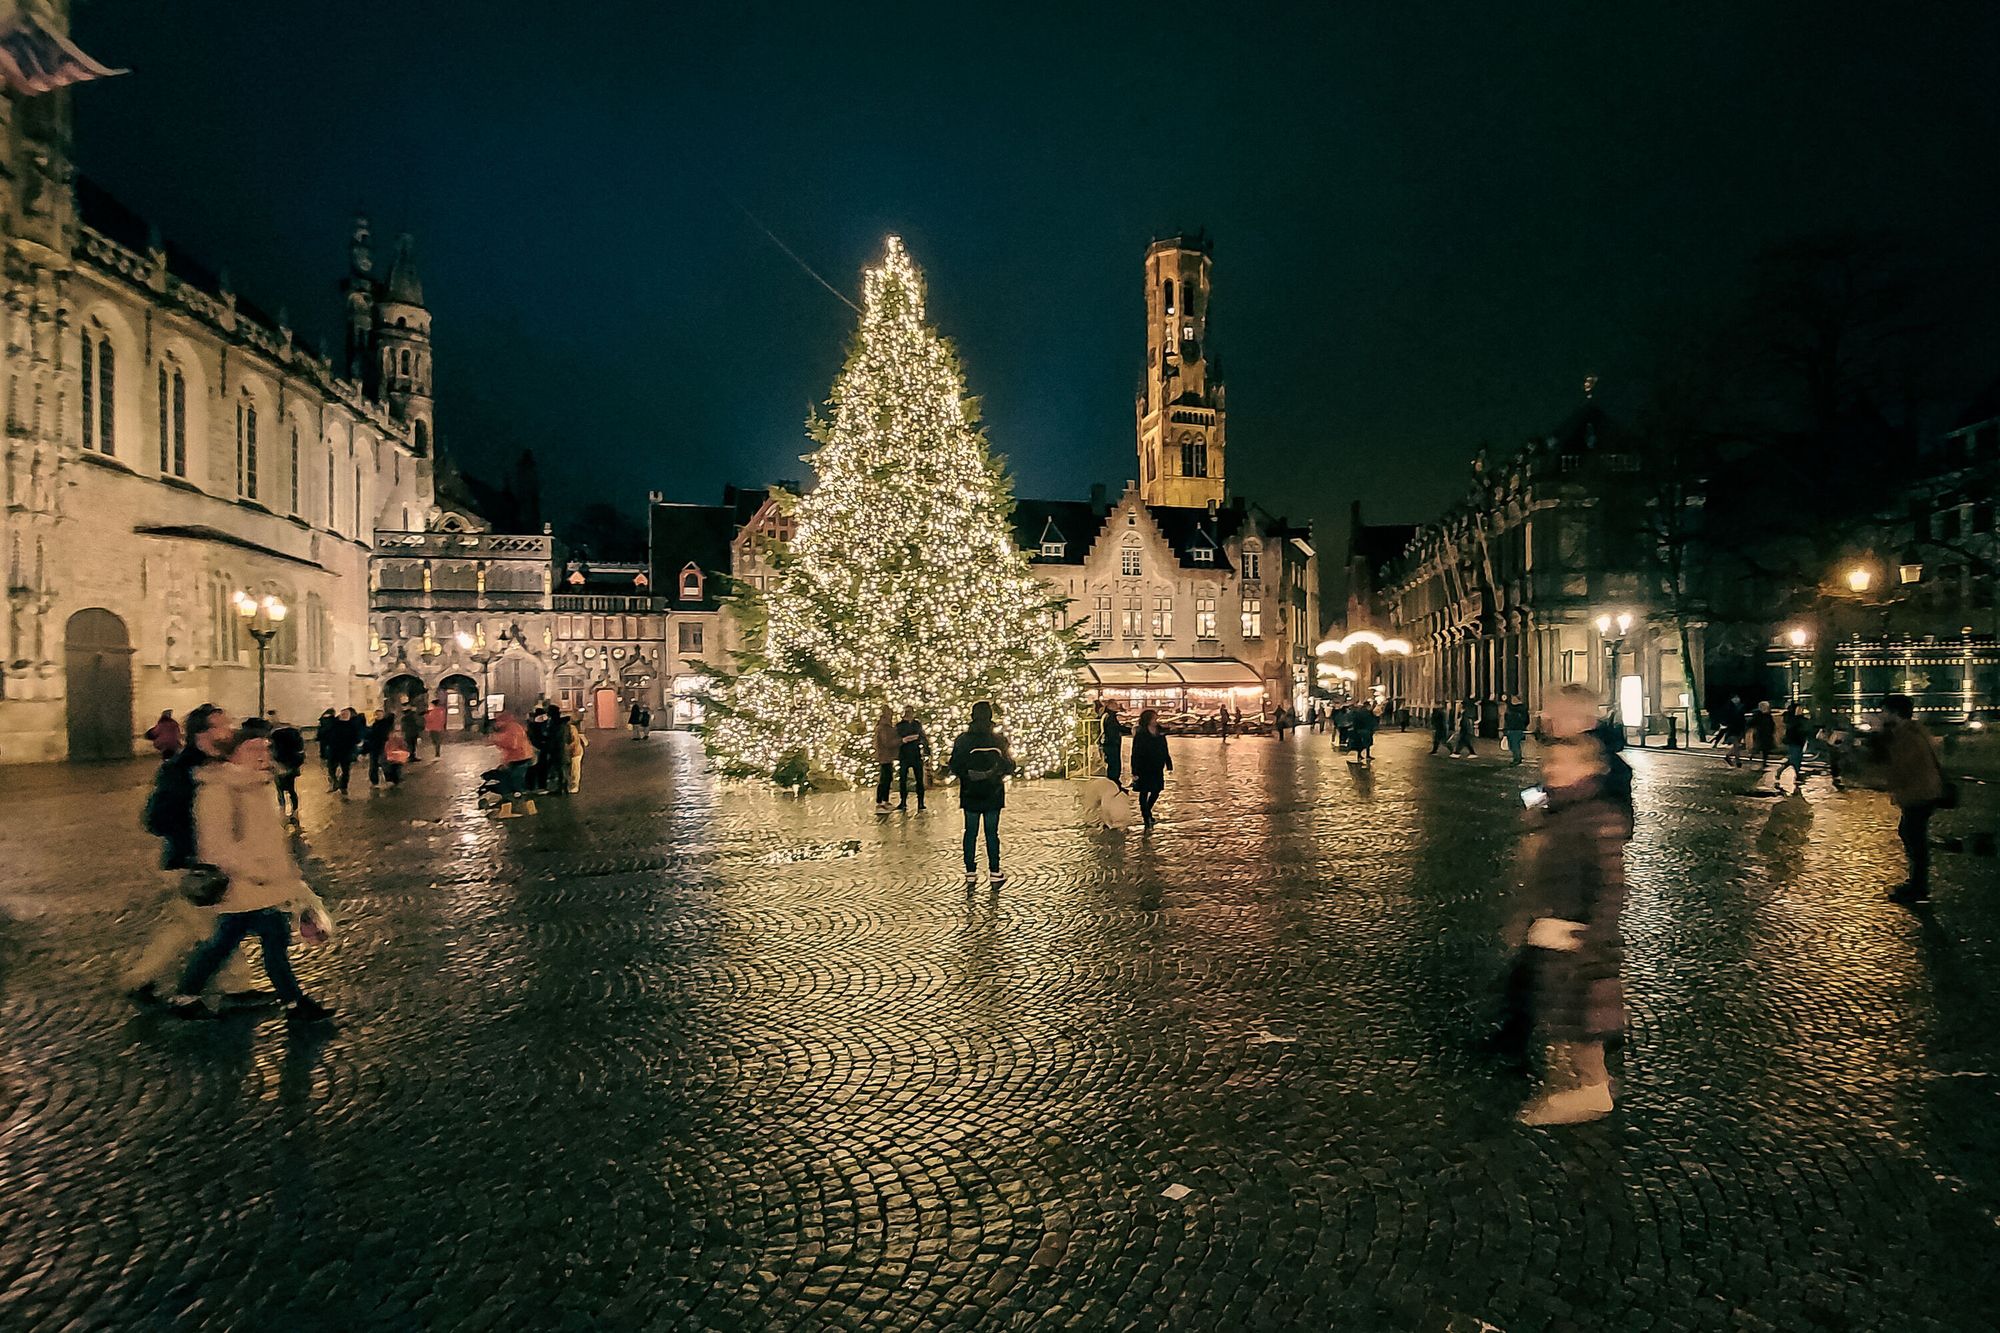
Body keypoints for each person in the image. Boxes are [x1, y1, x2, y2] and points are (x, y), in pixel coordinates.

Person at [166, 725, 333, 1025]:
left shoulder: (262, 784)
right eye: (252, 750)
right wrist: (259, 873)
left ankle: (187, 996)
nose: (262, 755)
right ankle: (295, 1005)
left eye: (265, 748)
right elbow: (216, 846)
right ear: (233, 755)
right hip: (244, 885)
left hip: (267, 884)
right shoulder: (218, 789)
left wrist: (287, 871)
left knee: (235, 943)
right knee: (248, 942)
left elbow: (269, 838)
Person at [1510, 734, 1627, 1125]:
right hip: (1553, 931)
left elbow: (1611, 887)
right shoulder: (1556, 809)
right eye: (1550, 764)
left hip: (1578, 936)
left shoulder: (1599, 817)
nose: (1552, 771)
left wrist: (1593, 939)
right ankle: (1579, 1086)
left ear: (1590, 769)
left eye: (1564, 764)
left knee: (1582, 1022)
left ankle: (1593, 1091)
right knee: (1565, 1016)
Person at [1880, 694, 1947, 904]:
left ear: (1894, 713)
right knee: (1909, 834)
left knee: (1914, 839)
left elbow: (1902, 767)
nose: (1881, 715)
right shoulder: (1911, 731)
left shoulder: (1905, 736)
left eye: (1884, 711)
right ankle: (1917, 884)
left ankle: (1918, 889)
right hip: (1924, 792)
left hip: (1920, 794)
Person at [948, 701, 1016, 887]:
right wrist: (993, 773)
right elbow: (1009, 765)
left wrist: (970, 775)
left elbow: (954, 765)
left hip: (970, 792)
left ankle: (970, 871)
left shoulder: (963, 740)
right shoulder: (998, 740)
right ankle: (995, 870)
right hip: (993, 792)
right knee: (991, 832)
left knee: (970, 832)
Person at [487, 711, 537, 818]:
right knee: (514, 785)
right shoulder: (513, 727)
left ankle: (512, 810)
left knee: (513, 785)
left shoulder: (511, 728)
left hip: (519, 759)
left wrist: (496, 739)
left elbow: (513, 744)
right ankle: (529, 808)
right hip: (520, 758)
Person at [1130, 707, 1172, 827]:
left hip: (1157, 766)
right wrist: (1134, 770)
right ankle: (1146, 815)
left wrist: (1168, 762)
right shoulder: (1141, 733)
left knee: (1156, 790)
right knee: (1144, 791)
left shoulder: (1160, 731)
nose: (1156, 720)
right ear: (1148, 720)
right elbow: (1136, 752)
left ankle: (1147, 810)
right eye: (1154, 718)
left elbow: (1164, 747)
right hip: (1144, 765)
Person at [268, 712, 306, 822]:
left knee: (280, 789)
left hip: (280, 764)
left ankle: (283, 810)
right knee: (291, 789)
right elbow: (300, 750)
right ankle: (294, 811)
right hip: (290, 765)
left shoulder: (273, 735)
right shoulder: (295, 733)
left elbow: (271, 751)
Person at [896, 706, 931, 811]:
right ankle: (903, 801)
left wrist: (927, 750)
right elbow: (899, 738)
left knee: (919, 779)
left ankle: (921, 802)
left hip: (915, 754)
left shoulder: (916, 724)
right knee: (903, 780)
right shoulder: (900, 725)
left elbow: (922, 736)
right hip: (904, 755)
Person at [1776, 703, 1811, 795]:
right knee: (1796, 759)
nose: (1801, 710)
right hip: (1794, 741)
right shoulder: (1792, 719)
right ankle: (1797, 775)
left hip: (1799, 741)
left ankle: (1784, 769)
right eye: (1799, 709)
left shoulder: (1798, 719)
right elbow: (1793, 729)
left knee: (1796, 758)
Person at [327, 707, 360, 797]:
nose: (344, 715)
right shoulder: (334, 724)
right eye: (343, 714)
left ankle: (343, 787)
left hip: (346, 751)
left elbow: (356, 738)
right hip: (334, 750)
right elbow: (328, 735)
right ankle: (336, 783)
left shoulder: (352, 725)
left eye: (346, 714)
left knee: (345, 770)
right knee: (331, 769)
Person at [362, 708, 394, 788]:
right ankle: (374, 782)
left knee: (384, 763)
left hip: (383, 746)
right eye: (377, 715)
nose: (378, 716)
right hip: (375, 748)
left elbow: (391, 719)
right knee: (373, 765)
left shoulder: (386, 723)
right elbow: (370, 738)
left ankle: (389, 779)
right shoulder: (374, 725)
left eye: (380, 714)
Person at [1099, 705, 1127, 789]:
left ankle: (1114, 783)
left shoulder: (1107, 715)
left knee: (1113, 764)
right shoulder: (1110, 717)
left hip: (1110, 744)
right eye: (1115, 704)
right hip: (1112, 744)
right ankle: (1113, 784)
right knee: (1114, 764)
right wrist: (1127, 729)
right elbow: (1114, 729)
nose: (1117, 706)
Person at [1747, 701, 1778, 775]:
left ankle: (1764, 761)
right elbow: (1751, 723)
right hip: (1760, 734)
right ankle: (1752, 756)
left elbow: (1772, 724)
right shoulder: (1758, 715)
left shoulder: (1768, 715)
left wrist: (1772, 730)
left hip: (1767, 734)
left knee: (1765, 749)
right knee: (1759, 746)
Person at [1504, 695, 1531, 766]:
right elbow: (1527, 720)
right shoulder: (1522, 708)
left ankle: (1517, 759)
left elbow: (1507, 718)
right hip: (1516, 728)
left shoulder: (1513, 709)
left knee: (1514, 745)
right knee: (1514, 745)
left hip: (1515, 728)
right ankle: (1517, 758)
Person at [1349, 700, 1378, 764]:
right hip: (1366, 729)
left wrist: (1355, 729)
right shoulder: (1367, 712)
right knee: (1368, 743)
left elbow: (1355, 720)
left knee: (1361, 743)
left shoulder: (1358, 712)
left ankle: (1360, 755)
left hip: (1360, 729)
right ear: (1367, 705)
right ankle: (1367, 755)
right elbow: (1372, 719)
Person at [567, 715, 589, 793]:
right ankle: (572, 785)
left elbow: (574, 741)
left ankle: (575, 786)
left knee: (575, 769)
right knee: (572, 769)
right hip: (573, 751)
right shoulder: (570, 728)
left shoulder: (571, 728)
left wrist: (566, 748)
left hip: (575, 752)